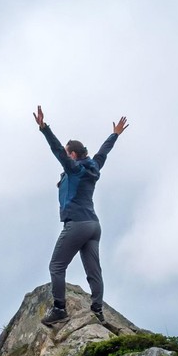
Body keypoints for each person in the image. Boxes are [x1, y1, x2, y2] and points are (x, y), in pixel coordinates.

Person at [33, 105, 127, 327]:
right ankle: (97, 310)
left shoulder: (74, 169)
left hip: (76, 224)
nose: (66, 157)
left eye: (68, 154)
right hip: (93, 225)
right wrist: (114, 135)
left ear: (73, 155)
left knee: (56, 266)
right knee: (94, 271)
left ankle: (59, 309)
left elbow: (57, 149)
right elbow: (103, 152)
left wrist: (44, 128)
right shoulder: (94, 165)